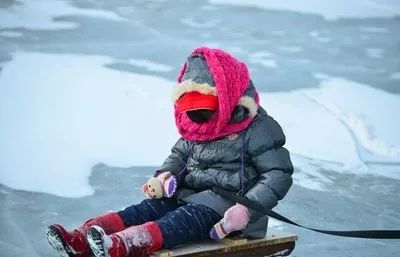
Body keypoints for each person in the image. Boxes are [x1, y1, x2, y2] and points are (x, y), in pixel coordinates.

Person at [46, 47, 294, 257]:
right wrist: (164, 174)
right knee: (144, 210)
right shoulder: (198, 126)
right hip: (187, 192)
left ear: (227, 97)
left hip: (230, 209)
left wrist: (247, 209)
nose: (198, 118)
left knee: (178, 221)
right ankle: (79, 239)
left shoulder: (259, 128)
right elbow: (180, 155)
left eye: (205, 110)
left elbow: (277, 174)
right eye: (192, 111)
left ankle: (120, 245)